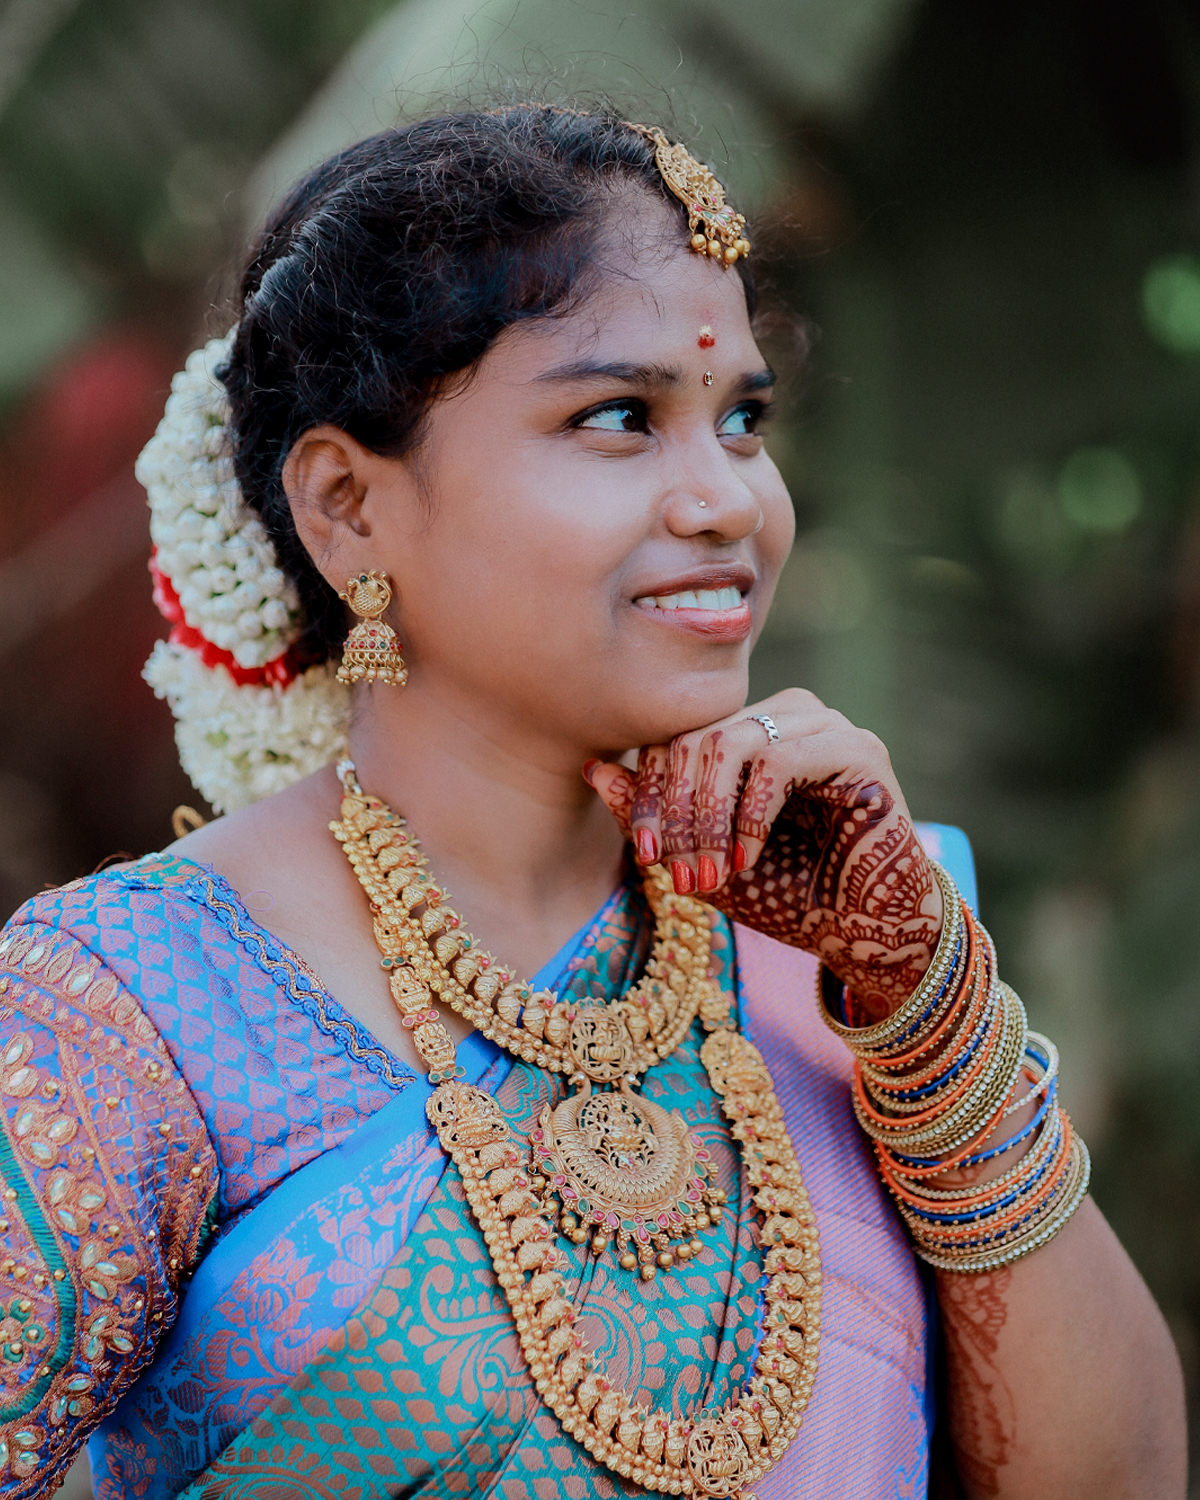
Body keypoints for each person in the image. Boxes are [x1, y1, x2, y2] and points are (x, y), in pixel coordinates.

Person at [0, 107, 1184, 1500]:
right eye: (617, 419)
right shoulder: (134, 1007)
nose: (728, 499)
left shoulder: (849, 953)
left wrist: (930, 1012)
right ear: (347, 508)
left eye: (743, 419)